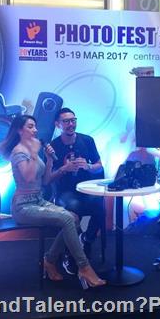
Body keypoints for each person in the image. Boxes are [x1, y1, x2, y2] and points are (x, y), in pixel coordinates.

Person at [0, 114, 105, 288]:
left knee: (73, 218)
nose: (35, 130)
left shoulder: (30, 149)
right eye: (30, 126)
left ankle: (49, 259)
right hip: (23, 206)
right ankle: (84, 267)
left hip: (38, 200)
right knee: (68, 218)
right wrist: (34, 152)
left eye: (35, 126)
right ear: (19, 130)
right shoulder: (19, 151)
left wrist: (48, 160)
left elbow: (46, 181)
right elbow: (28, 176)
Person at [49, 108, 105, 274]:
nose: (71, 124)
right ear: (58, 124)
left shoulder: (87, 140)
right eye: (66, 121)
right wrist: (64, 169)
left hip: (87, 188)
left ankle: (86, 239)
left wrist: (88, 166)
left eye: (73, 120)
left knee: (100, 207)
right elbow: (48, 178)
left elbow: (99, 166)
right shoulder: (53, 146)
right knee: (74, 207)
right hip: (65, 192)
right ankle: (70, 251)